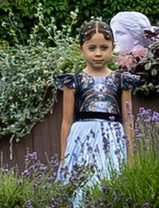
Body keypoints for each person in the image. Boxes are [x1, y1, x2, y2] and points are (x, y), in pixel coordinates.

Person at [54, 19, 135, 186]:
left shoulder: (121, 81)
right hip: (81, 139)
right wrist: (64, 158)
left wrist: (131, 156)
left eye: (104, 47)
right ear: (81, 50)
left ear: (113, 47)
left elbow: (128, 120)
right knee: (82, 184)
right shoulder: (73, 82)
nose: (98, 53)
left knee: (111, 180)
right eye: (92, 48)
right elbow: (66, 121)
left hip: (113, 139)